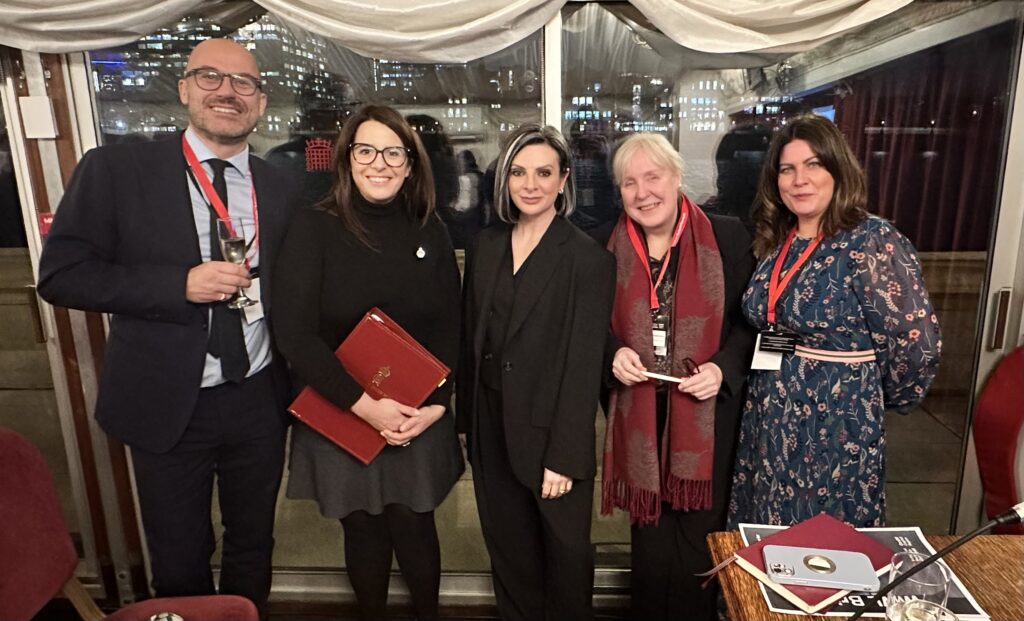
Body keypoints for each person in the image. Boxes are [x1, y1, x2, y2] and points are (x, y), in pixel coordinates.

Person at [37, 38, 298, 617]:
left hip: (258, 395)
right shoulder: (118, 169)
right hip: (168, 401)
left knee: (254, 544)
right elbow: (61, 276)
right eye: (211, 77)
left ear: (260, 101)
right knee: (179, 555)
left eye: (244, 83)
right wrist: (176, 285)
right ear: (183, 89)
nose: (227, 91)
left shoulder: (280, 184)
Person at [271, 104, 463, 621]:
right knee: (362, 525)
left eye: (393, 152)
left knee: (414, 521)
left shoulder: (430, 228)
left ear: (410, 163)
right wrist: (364, 407)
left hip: (416, 411)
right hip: (339, 409)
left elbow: (451, 324)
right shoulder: (314, 228)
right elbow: (294, 332)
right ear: (346, 159)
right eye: (366, 150)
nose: (380, 163)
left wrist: (438, 405)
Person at [728, 114, 942, 529]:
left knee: (825, 544)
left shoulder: (871, 240)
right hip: (770, 415)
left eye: (813, 165)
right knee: (768, 535)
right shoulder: (779, 238)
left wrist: (877, 396)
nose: (799, 180)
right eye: (787, 169)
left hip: (835, 422)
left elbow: (917, 343)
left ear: (838, 170)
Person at [457, 124, 615, 621]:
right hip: (488, 423)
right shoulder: (485, 246)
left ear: (564, 180)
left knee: (565, 558)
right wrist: (466, 424)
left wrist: (565, 457)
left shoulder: (587, 259)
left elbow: (584, 365)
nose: (531, 184)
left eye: (544, 172)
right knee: (510, 554)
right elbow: (471, 341)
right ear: (504, 179)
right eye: (519, 172)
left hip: (551, 437)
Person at [601, 133, 756, 621]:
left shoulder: (729, 237)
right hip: (640, 413)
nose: (643, 192)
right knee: (648, 546)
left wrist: (722, 368)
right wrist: (613, 352)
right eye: (630, 182)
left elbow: (753, 322)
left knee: (695, 549)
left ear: (676, 177)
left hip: (706, 414)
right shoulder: (602, 246)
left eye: (653, 177)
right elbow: (589, 327)